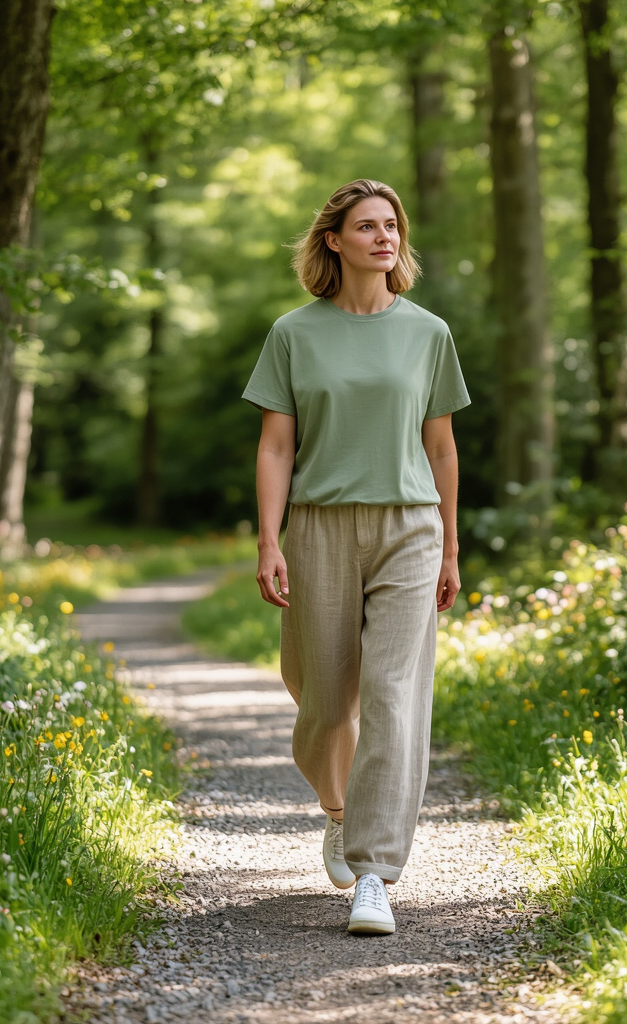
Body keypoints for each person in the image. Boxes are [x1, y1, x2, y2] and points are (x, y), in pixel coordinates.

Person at [242, 179, 470, 935]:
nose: (385, 236)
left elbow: (441, 447)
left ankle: (375, 873)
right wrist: (270, 537)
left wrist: (450, 546)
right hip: (317, 529)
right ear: (334, 241)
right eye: (367, 226)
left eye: (392, 225)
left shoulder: (429, 332)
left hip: (411, 526)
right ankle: (336, 808)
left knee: (393, 697)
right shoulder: (293, 333)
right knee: (321, 700)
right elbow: (277, 444)